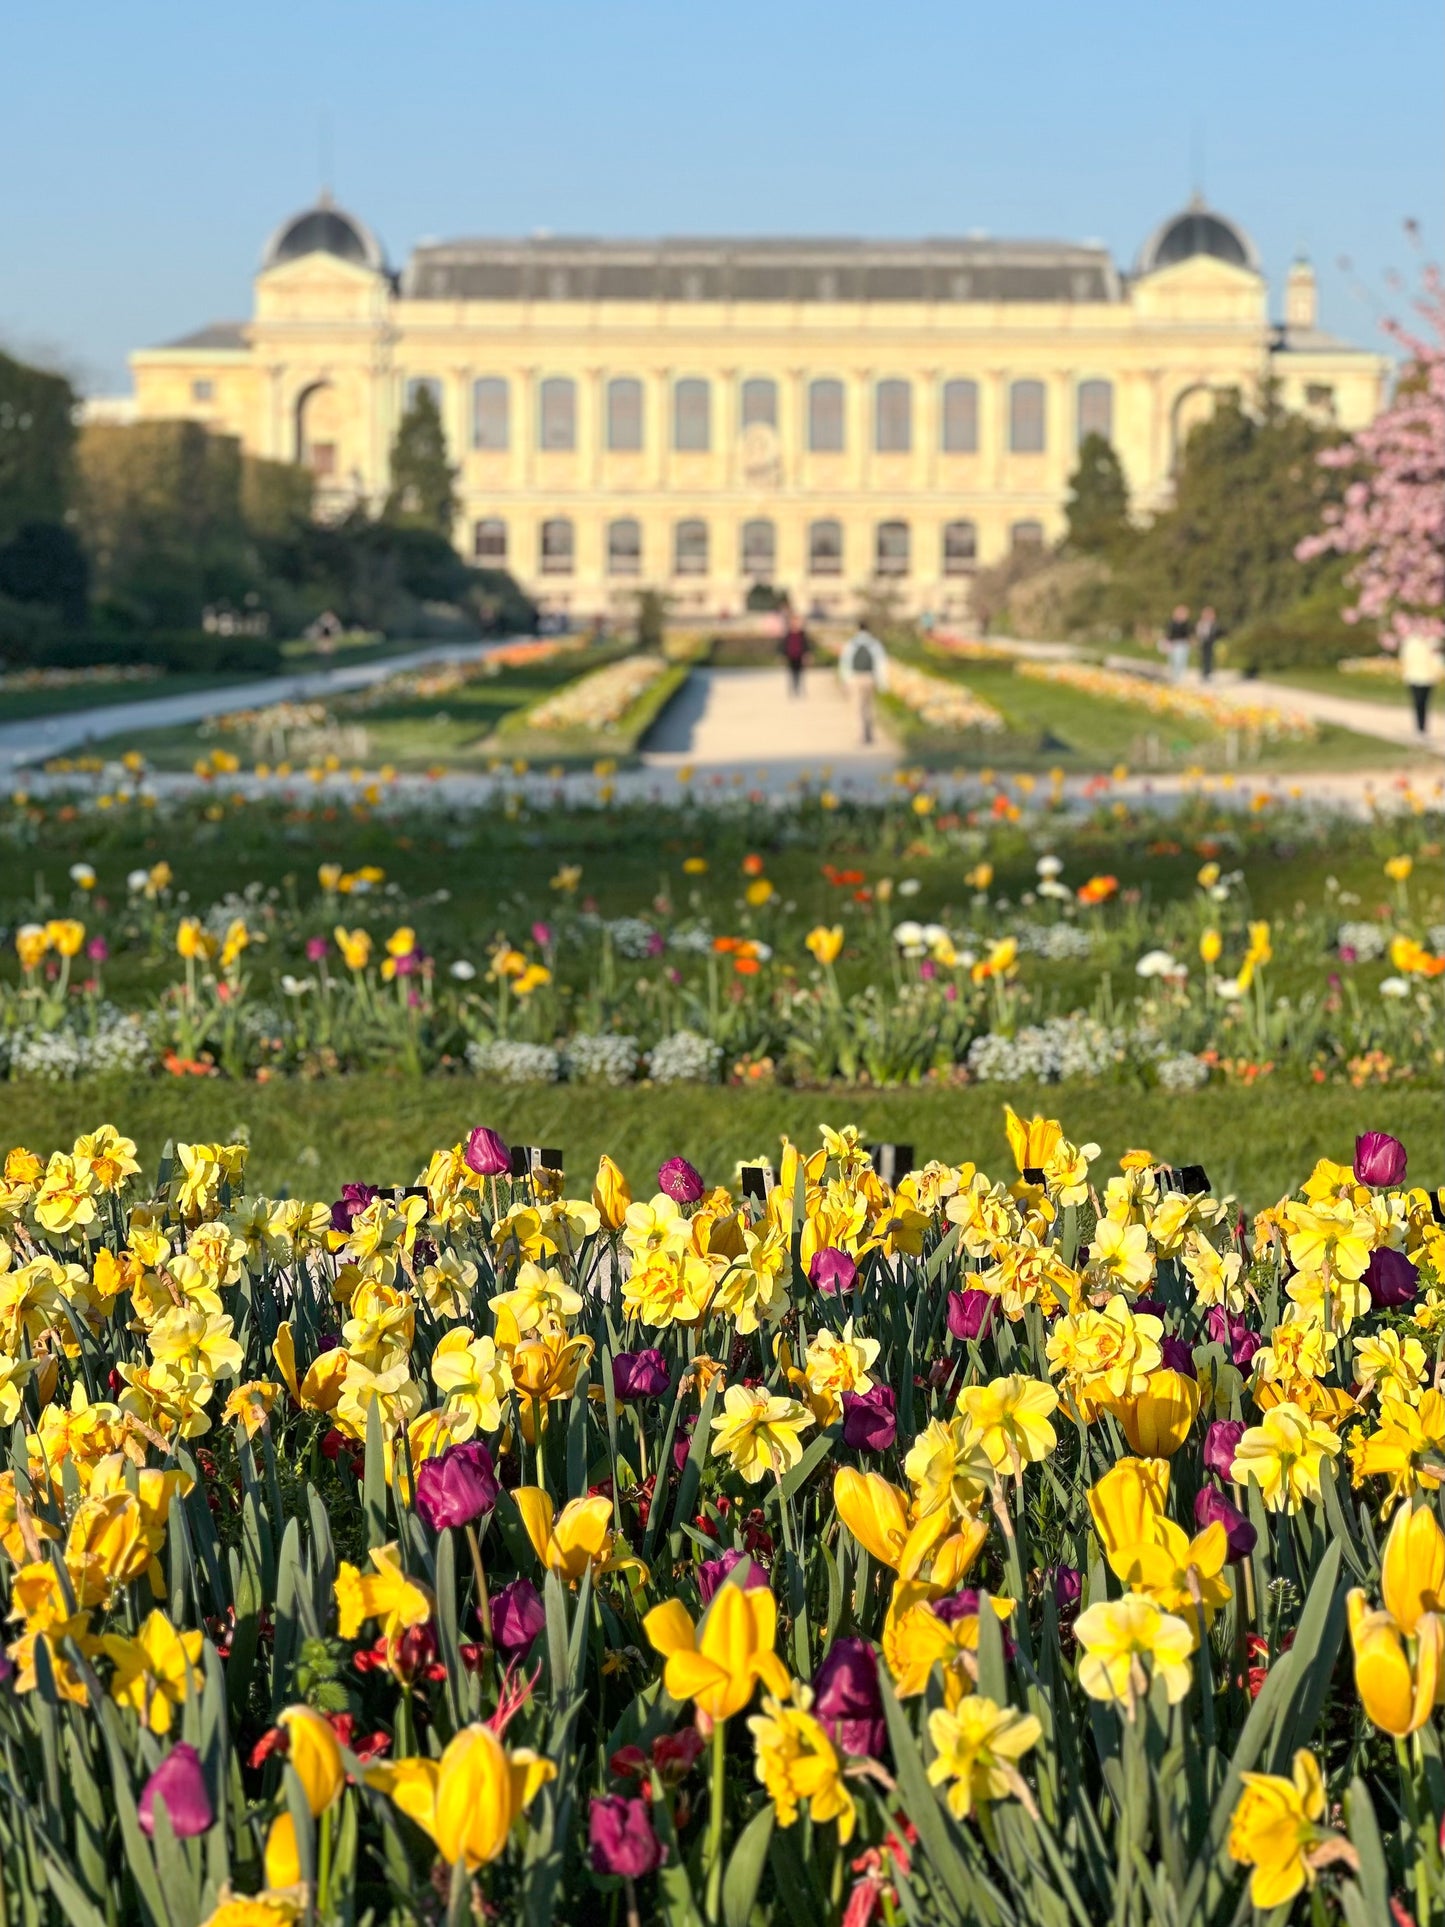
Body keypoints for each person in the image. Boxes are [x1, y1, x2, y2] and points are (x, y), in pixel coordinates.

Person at [839, 626, 888, 745]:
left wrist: (845, 681)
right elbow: (881, 663)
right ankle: (870, 734)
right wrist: (883, 683)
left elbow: (845, 663)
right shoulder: (875, 644)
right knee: (869, 706)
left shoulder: (851, 644)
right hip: (870, 677)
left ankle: (860, 735)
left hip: (855, 678)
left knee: (857, 708)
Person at [1399, 629, 1444, 736]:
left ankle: (1423, 728)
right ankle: (1420, 728)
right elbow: (1405, 658)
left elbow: (1438, 659)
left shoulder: (1434, 642)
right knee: (1418, 702)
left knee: (1425, 703)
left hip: (1429, 677)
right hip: (1414, 677)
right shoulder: (1410, 642)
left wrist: (1438, 671)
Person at [780, 615, 810, 697]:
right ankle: (792, 690)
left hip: (800, 656)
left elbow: (806, 645)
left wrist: (807, 655)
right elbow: (784, 645)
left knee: (800, 674)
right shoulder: (788, 634)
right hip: (791, 656)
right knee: (791, 674)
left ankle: (799, 690)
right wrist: (783, 656)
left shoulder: (802, 634)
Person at [1160, 605, 1191, 682]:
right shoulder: (1171, 623)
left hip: (1182, 644)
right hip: (1173, 644)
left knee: (1180, 661)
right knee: (1172, 661)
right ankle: (1173, 676)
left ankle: (1178, 677)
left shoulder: (1186, 624)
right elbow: (1168, 633)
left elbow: (1188, 634)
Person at [1195, 606, 1222, 681]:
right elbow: (1198, 633)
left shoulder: (1214, 624)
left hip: (1212, 643)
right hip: (1203, 642)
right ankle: (1204, 673)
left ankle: (1209, 673)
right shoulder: (1201, 623)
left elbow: (1218, 633)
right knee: (1203, 658)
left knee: (1210, 658)